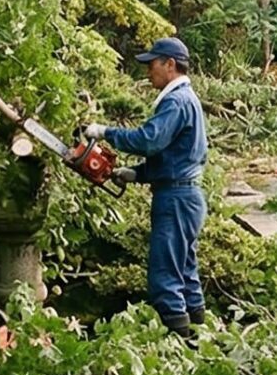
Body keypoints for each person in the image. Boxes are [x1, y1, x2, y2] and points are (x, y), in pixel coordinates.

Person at [86, 37, 208, 340]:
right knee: (185, 271)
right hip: (185, 193)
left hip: (176, 198)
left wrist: (104, 132)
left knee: (165, 274)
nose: (148, 71)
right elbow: (177, 154)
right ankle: (200, 337)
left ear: (170, 64)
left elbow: (149, 140)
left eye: (152, 64)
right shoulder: (186, 99)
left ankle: (180, 344)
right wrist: (136, 174)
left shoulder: (176, 101)